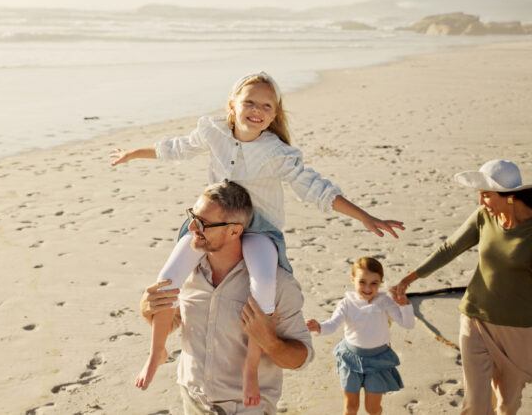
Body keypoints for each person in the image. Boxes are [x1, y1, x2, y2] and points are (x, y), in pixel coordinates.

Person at [112, 71, 404, 404]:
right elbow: (176, 148)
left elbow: (316, 188)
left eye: (267, 105)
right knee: (165, 282)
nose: (257, 109)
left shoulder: (276, 152)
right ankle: (156, 354)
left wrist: (365, 216)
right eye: (249, 101)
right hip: (211, 225)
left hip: (259, 229)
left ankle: (250, 369)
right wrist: (133, 153)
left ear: (274, 114)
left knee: (264, 287)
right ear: (232, 106)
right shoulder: (214, 132)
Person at [140, 180, 313, 414]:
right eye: (193, 215)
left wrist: (270, 341)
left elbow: (301, 358)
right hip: (193, 400)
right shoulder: (187, 273)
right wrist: (147, 309)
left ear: (234, 230)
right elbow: (173, 322)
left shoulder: (277, 284)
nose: (192, 227)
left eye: (204, 223)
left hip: (246, 407)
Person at [391, 159, 532, 415]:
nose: (481, 202)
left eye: (486, 195)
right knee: (476, 406)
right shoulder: (484, 217)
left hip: (518, 330)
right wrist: (410, 278)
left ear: (509, 197)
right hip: (476, 318)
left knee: (507, 405)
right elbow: (450, 248)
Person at [306, 257, 414, 415]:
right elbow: (332, 325)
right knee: (351, 407)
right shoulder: (346, 303)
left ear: (381, 282)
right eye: (362, 282)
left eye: (374, 283)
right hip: (351, 359)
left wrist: (404, 305)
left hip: (379, 360)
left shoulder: (385, 301)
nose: (368, 288)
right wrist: (318, 326)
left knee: (373, 408)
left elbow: (408, 324)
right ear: (353, 279)